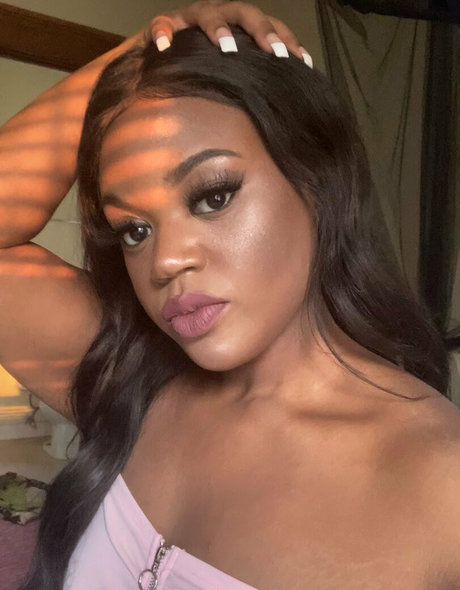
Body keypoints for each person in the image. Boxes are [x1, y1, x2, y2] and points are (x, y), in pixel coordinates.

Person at [0, 2, 459, 589]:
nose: (166, 260)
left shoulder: (442, 487)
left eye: (213, 196)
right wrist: (148, 46)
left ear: (318, 184)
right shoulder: (130, 383)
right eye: (134, 230)